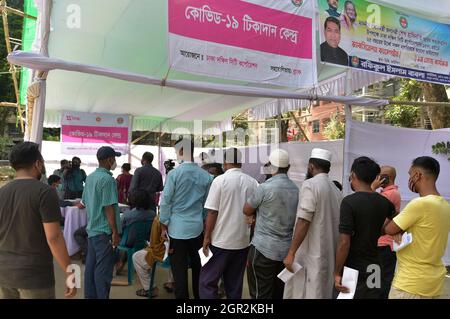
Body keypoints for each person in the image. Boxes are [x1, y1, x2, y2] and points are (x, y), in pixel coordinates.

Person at [0, 142, 76, 299]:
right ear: (38, 163)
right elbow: (54, 237)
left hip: (4, 274)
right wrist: (70, 272)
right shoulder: (45, 192)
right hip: (34, 276)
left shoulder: (2, 192)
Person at [384, 157, 450, 299]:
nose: (409, 179)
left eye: (410, 174)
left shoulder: (419, 204)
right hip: (434, 284)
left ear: (418, 175)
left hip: (410, 285)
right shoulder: (445, 206)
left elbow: (389, 229)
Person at [283, 148, 343, 299]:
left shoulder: (310, 185)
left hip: (311, 255)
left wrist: (291, 253)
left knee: (306, 292)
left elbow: (304, 220)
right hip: (328, 255)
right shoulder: (336, 190)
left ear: (310, 166)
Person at [199, 148, 258, 299]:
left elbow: (212, 212)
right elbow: (255, 214)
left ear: (225, 162)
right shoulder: (253, 183)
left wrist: (206, 237)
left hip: (220, 241)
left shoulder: (219, 181)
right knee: (234, 285)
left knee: (207, 282)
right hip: (242, 242)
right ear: (241, 162)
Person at [334, 157, 396, 299]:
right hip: (375, 265)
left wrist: (337, 272)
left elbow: (344, 242)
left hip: (353, 268)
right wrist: (382, 230)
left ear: (353, 175)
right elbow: (397, 219)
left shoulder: (349, 202)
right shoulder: (384, 202)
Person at [160, 137, 213, 299]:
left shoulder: (174, 174)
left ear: (182, 151)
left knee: (179, 271)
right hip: (197, 229)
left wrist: (163, 225)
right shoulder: (206, 176)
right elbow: (207, 205)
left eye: (177, 151)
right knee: (199, 267)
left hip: (177, 230)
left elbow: (166, 202)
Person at [244, 149, 299, 299]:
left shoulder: (264, 187)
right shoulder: (296, 189)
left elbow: (247, 209)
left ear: (272, 167)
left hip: (262, 249)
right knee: (279, 292)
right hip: (286, 252)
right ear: (287, 167)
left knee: (260, 295)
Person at [82, 146, 122, 299]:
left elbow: (84, 202)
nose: (115, 161)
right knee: (103, 272)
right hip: (104, 232)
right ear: (109, 159)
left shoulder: (90, 177)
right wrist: (115, 232)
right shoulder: (107, 180)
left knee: (91, 270)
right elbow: (108, 207)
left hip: (92, 231)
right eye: (114, 158)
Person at [371, 165, 401, 299]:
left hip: (384, 245)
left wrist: (372, 188)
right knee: (377, 280)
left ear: (386, 178)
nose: (377, 178)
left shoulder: (390, 194)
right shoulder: (387, 193)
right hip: (382, 244)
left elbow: (373, 207)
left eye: (380, 175)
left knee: (381, 281)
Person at [116, 189, 156, 275]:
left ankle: (120, 261)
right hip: (145, 241)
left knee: (117, 238)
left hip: (128, 242)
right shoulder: (152, 214)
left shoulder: (127, 214)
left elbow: (119, 230)